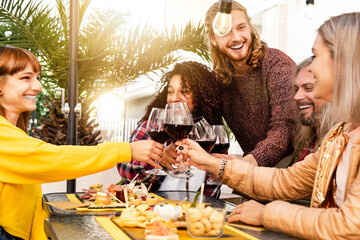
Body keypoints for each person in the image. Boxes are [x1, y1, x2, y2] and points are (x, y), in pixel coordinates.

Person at [177, 12, 360, 239]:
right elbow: (286, 181)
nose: (309, 69)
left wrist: (266, 213)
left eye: (316, 56)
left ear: (344, 62)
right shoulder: (340, 135)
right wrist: (213, 164)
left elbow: (349, 226)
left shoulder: (275, 64)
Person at [0, 46, 164, 240]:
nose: (37, 86)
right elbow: (53, 158)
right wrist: (125, 150)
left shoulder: (14, 132)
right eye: (25, 78)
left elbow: (32, 201)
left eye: (37, 77)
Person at [204, 1, 297, 167]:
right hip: (254, 165)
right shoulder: (218, 81)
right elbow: (207, 130)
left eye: (241, 27)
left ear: (249, 27)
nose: (236, 38)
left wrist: (247, 162)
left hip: (293, 164)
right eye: (225, 31)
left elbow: (285, 128)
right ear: (213, 39)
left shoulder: (276, 64)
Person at [117, 61, 223, 198]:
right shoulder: (153, 126)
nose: (174, 98)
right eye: (170, 91)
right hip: (148, 213)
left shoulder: (207, 135)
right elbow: (125, 168)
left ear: (200, 97)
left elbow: (211, 191)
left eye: (184, 92)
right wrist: (159, 160)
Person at [291, 57, 331, 163]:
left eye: (308, 88)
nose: (296, 96)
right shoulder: (307, 141)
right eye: (296, 89)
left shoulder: (342, 143)